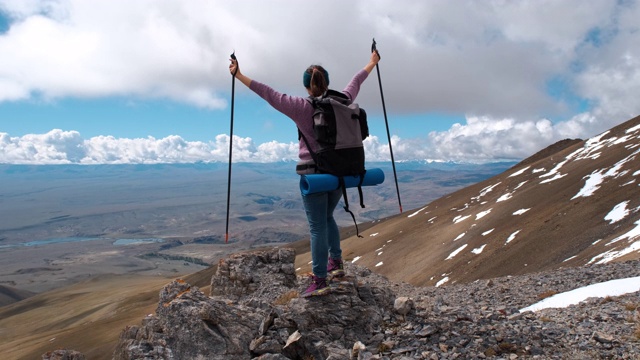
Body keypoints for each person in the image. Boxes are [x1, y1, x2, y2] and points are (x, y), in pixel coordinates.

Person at [229, 50, 380, 297]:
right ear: (327, 83)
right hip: (341, 173)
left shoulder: (300, 107)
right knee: (328, 218)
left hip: (314, 176)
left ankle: (320, 279)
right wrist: (372, 62)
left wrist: (239, 75)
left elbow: (268, 93)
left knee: (317, 227)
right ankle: (336, 264)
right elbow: (356, 81)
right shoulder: (342, 99)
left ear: (306, 86)